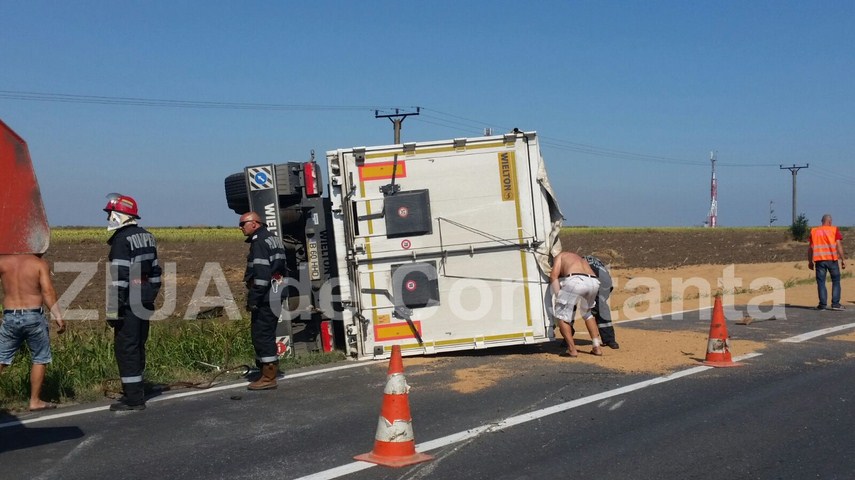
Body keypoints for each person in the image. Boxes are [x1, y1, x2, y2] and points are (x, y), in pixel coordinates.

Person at [104, 193, 162, 411]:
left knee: (126, 347)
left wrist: (113, 310)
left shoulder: (121, 240)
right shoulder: (148, 236)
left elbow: (119, 278)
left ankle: (134, 398)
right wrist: (149, 294)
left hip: (129, 301)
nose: (108, 217)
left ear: (120, 215)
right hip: (144, 298)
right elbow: (155, 271)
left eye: (110, 213)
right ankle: (138, 388)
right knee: (138, 344)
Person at [0, 254, 66, 411]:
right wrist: (58, 316)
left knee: (1, 357)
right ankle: (35, 401)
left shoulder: (3, 262)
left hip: (10, 315)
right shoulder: (39, 264)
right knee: (40, 357)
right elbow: (48, 291)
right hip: (33, 316)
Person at [239, 211, 288, 390]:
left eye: (243, 224)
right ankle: (264, 370)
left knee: (262, 334)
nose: (240, 228)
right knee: (264, 333)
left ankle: (268, 377)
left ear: (255, 223)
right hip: (276, 291)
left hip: (266, 295)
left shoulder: (259, 242)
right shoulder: (273, 238)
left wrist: (253, 299)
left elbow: (261, 276)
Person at [550, 251, 603, 357]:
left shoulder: (560, 256)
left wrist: (558, 296)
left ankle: (572, 350)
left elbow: (553, 276)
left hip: (575, 280)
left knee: (562, 316)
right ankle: (597, 347)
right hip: (593, 282)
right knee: (587, 313)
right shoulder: (579, 258)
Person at [808, 213, 846, 311]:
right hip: (832, 260)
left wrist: (810, 261)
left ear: (822, 221)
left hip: (819, 260)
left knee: (821, 282)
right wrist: (843, 259)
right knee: (836, 281)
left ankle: (822, 305)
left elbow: (811, 248)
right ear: (829, 221)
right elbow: (838, 245)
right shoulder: (834, 230)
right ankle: (835, 304)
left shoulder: (814, 231)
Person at [585, 255, 620, 349]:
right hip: (607, 282)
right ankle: (610, 340)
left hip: (599, 283)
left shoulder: (580, 262)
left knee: (599, 309)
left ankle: (609, 340)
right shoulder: (594, 260)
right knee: (601, 309)